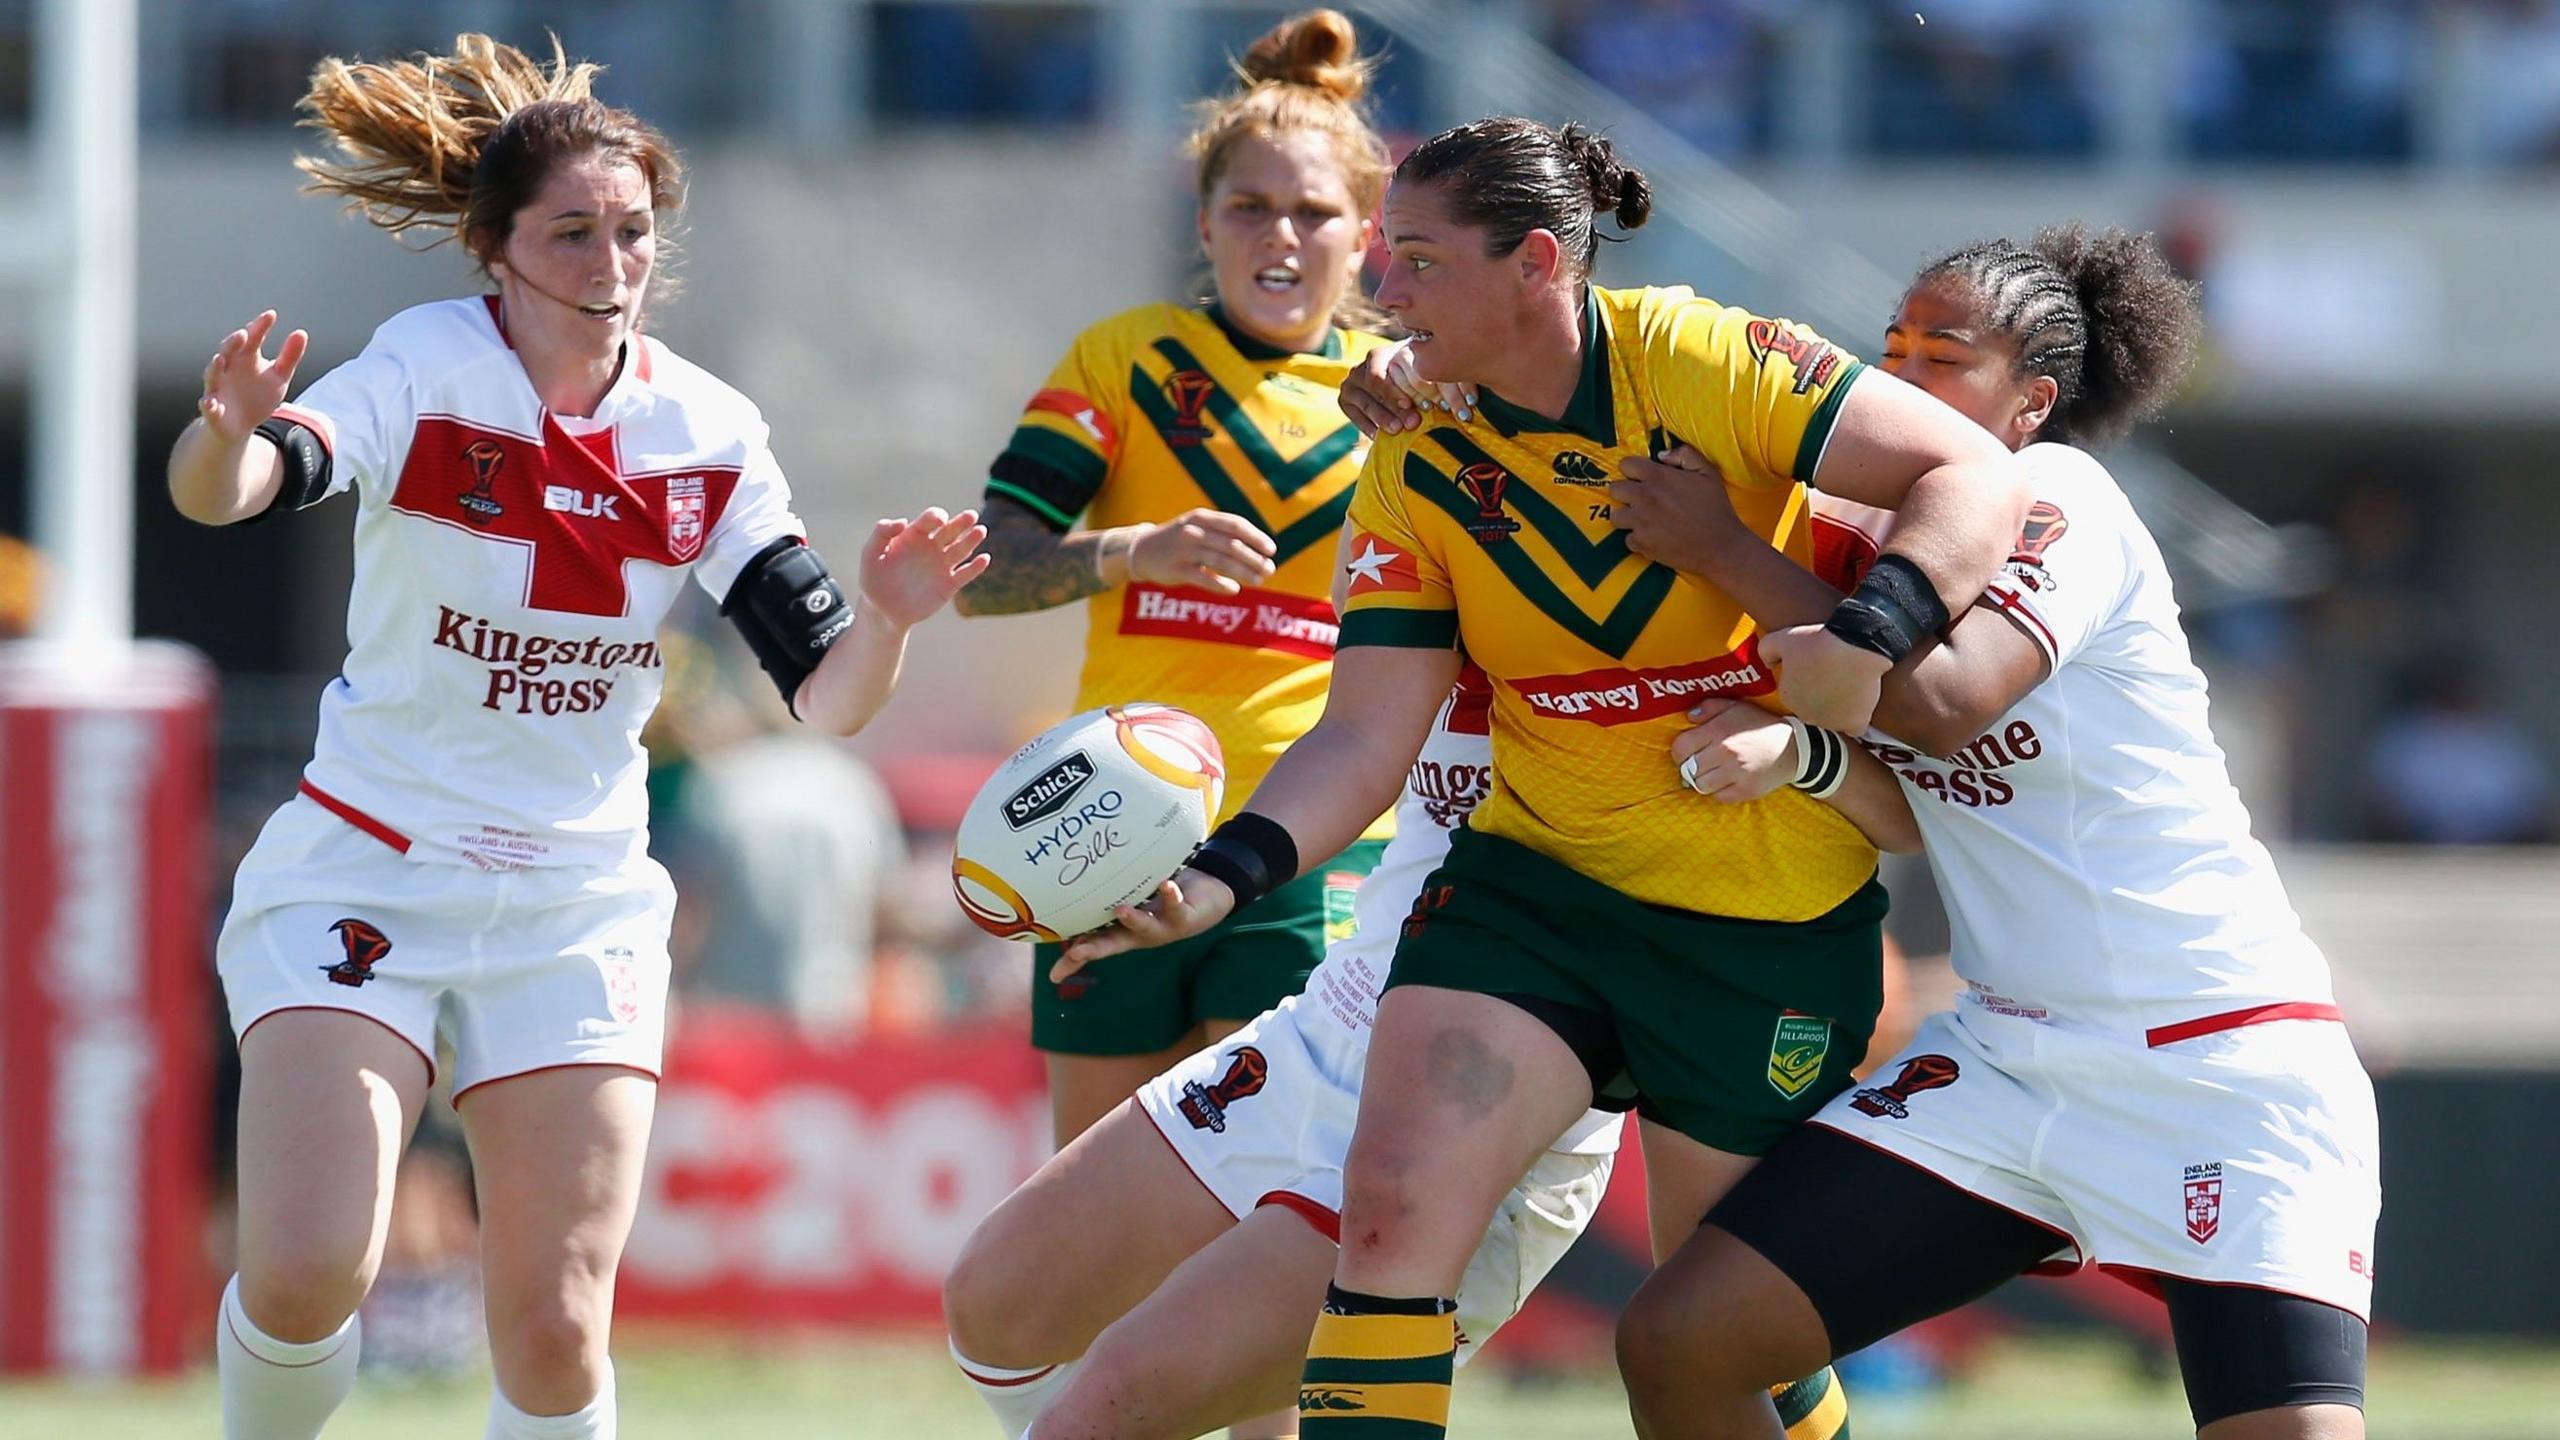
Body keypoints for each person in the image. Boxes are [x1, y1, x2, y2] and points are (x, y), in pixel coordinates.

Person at [1062, 116, 2030, 1438]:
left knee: (1709, 1343)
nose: (1381, 293)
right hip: (1537, 894)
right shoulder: (1412, 451)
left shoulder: (1700, 356)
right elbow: (1360, 739)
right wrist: (1220, 879)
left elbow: (1968, 469)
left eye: (1413, 259)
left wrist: (1865, 640)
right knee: (1389, 1220)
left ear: (1530, 263)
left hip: (1763, 928)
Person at [168, 35, 985, 1440]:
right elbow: (236, 489)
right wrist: (224, 434)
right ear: (495, 251)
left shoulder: (711, 432)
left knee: (553, 1333)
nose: (610, 261)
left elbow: (829, 699)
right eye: (573, 232)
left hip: (572, 897)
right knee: (308, 1272)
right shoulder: (426, 367)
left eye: (632, 233)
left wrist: (893, 620)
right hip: (364, 867)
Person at [1605, 225, 2380, 1440]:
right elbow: (1915, 807)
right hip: (2006, 1060)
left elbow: (1939, 701)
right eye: (1892, 347)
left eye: (1943, 356)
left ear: (2030, 401)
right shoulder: (1865, 534)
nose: (1900, 378)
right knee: (1678, 1341)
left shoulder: (2059, 492)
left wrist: (1721, 552)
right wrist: (1410, 376)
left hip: (2217, 1064)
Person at [945, 498, 1918, 1440]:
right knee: (992, 1305)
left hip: (1486, 1099)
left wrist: (1806, 750)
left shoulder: (1682, 593)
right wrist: (1204, 883)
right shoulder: (1419, 549)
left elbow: (1916, 799)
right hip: (1327, 1025)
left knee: (1108, 1411)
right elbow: (1351, 749)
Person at [953, 9, 1400, 1159]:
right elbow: (984, 575)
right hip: (1104, 826)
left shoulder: (1407, 399)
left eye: (1315, 212)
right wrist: (1129, 551)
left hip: (1308, 835)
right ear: (1204, 221)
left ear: (1368, 235)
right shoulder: (1127, 357)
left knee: (1255, 1184)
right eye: (1251, 207)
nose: (1281, 237)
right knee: (1088, 1204)